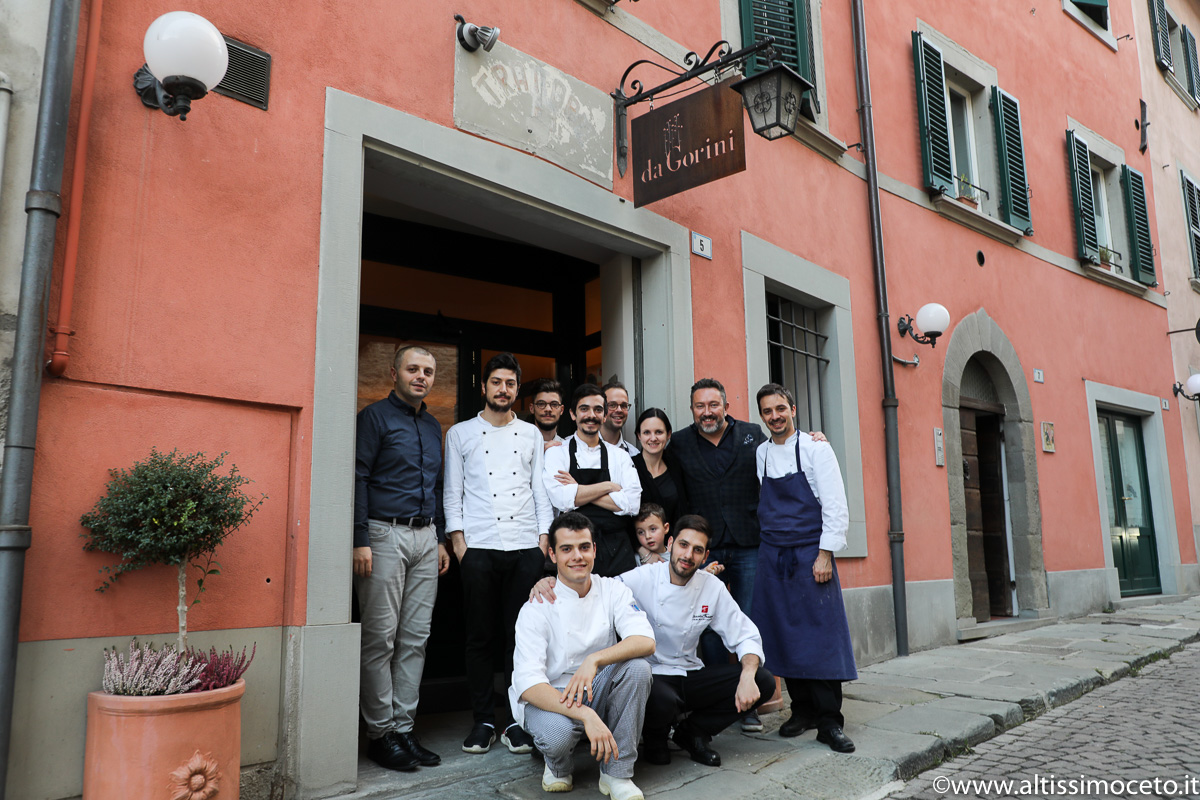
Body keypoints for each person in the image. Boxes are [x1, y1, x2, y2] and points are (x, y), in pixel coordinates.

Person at [531, 515, 773, 768]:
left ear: (705, 556)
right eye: (683, 545)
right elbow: (598, 589)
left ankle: (693, 732)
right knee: (654, 693)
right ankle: (655, 739)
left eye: (697, 550)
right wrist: (552, 582)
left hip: (689, 673)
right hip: (654, 675)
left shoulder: (712, 587)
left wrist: (747, 676)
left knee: (762, 680)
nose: (688, 555)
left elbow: (745, 634)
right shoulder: (642, 577)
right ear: (670, 544)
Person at [444, 353, 552, 755]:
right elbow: (451, 494)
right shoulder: (460, 434)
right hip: (480, 548)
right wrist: (460, 546)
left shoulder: (529, 435)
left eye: (510, 383)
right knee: (479, 637)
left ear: (516, 389)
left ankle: (514, 720)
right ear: (484, 386)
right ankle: (483, 719)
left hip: (525, 547)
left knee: (518, 637)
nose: (503, 389)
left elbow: (539, 490)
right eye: (496, 382)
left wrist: (542, 541)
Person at [353, 345, 452, 771]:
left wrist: (442, 538)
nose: (421, 376)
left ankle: (404, 729)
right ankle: (380, 734)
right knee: (381, 639)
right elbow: (357, 476)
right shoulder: (373, 418)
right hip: (383, 534)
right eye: (413, 369)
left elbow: (438, 484)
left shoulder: (433, 426)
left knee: (415, 639)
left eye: (428, 371)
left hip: (425, 537)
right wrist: (359, 539)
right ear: (394, 373)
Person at [510, 512, 655, 799]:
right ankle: (558, 765)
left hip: (594, 684)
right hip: (550, 696)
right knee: (557, 737)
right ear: (552, 554)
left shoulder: (612, 589)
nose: (577, 556)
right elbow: (529, 684)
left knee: (638, 668)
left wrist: (595, 660)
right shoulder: (536, 607)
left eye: (584, 547)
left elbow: (645, 640)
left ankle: (617, 774)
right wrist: (585, 714)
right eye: (566, 549)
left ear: (594, 550)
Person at [753, 383, 858, 753]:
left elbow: (835, 504)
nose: (775, 416)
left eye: (780, 408)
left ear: (793, 409)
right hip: (774, 557)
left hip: (811, 556)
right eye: (767, 411)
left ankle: (830, 721)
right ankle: (802, 711)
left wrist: (825, 554)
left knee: (822, 639)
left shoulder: (816, 448)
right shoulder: (761, 454)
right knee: (784, 636)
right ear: (762, 416)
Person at [668, 378, 768, 729]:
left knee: (748, 620)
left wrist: (814, 440)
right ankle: (718, 698)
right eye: (700, 406)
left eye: (713, 404)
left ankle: (750, 700)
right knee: (705, 623)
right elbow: (673, 491)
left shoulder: (753, 434)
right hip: (704, 548)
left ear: (726, 405)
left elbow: (781, 461)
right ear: (692, 408)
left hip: (748, 543)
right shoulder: (678, 443)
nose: (707, 412)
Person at [542, 384, 642, 577]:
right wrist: (608, 487)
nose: (591, 415)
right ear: (572, 414)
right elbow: (562, 499)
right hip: (575, 550)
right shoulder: (557, 452)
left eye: (598, 410)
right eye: (584, 409)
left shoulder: (619, 456)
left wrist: (578, 490)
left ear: (604, 416)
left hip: (617, 551)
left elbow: (632, 504)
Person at [631, 408, 691, 527]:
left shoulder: (676, 466)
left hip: (673, 541)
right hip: (639, 543)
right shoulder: (629, 467)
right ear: (639, 436)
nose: (653, 438)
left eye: (659, 432)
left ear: (668, 434)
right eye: (646, 432)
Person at [601, 381, 639, 456]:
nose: (619, 410)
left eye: (624, 405)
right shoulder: (581, 450)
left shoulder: (633, 454)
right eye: (612, 405)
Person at [528, 378, 566, 450]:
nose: (548, 409)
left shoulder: (568, 448)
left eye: (554, 404)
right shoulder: (520, 446)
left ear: (561, 410)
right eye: (541, 404)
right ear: (532, 408)